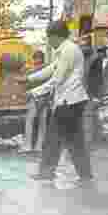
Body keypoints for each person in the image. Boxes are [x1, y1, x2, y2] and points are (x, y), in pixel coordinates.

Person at [30, 21, 93, 185]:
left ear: (56, 36)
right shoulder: (65, 50)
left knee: (53, 138)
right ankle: (85, 174)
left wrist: (34, 92)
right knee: (74, 140)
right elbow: (51, 69)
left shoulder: (68, 50)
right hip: (72, 101)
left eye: (49, 38)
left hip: (68, 101)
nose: (48, 42)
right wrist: (28, 79)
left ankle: (46, 172)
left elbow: (57, 79)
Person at [19, 49, 51, 154]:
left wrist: (24, 72)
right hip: (45, 98)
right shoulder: (47, 69)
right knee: (42, 123)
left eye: (36, 58)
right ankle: (39, 146)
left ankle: (27, 146)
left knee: (30, 121)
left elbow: (26, 84)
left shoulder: (32, 71)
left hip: (34, 98)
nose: (36, 60)